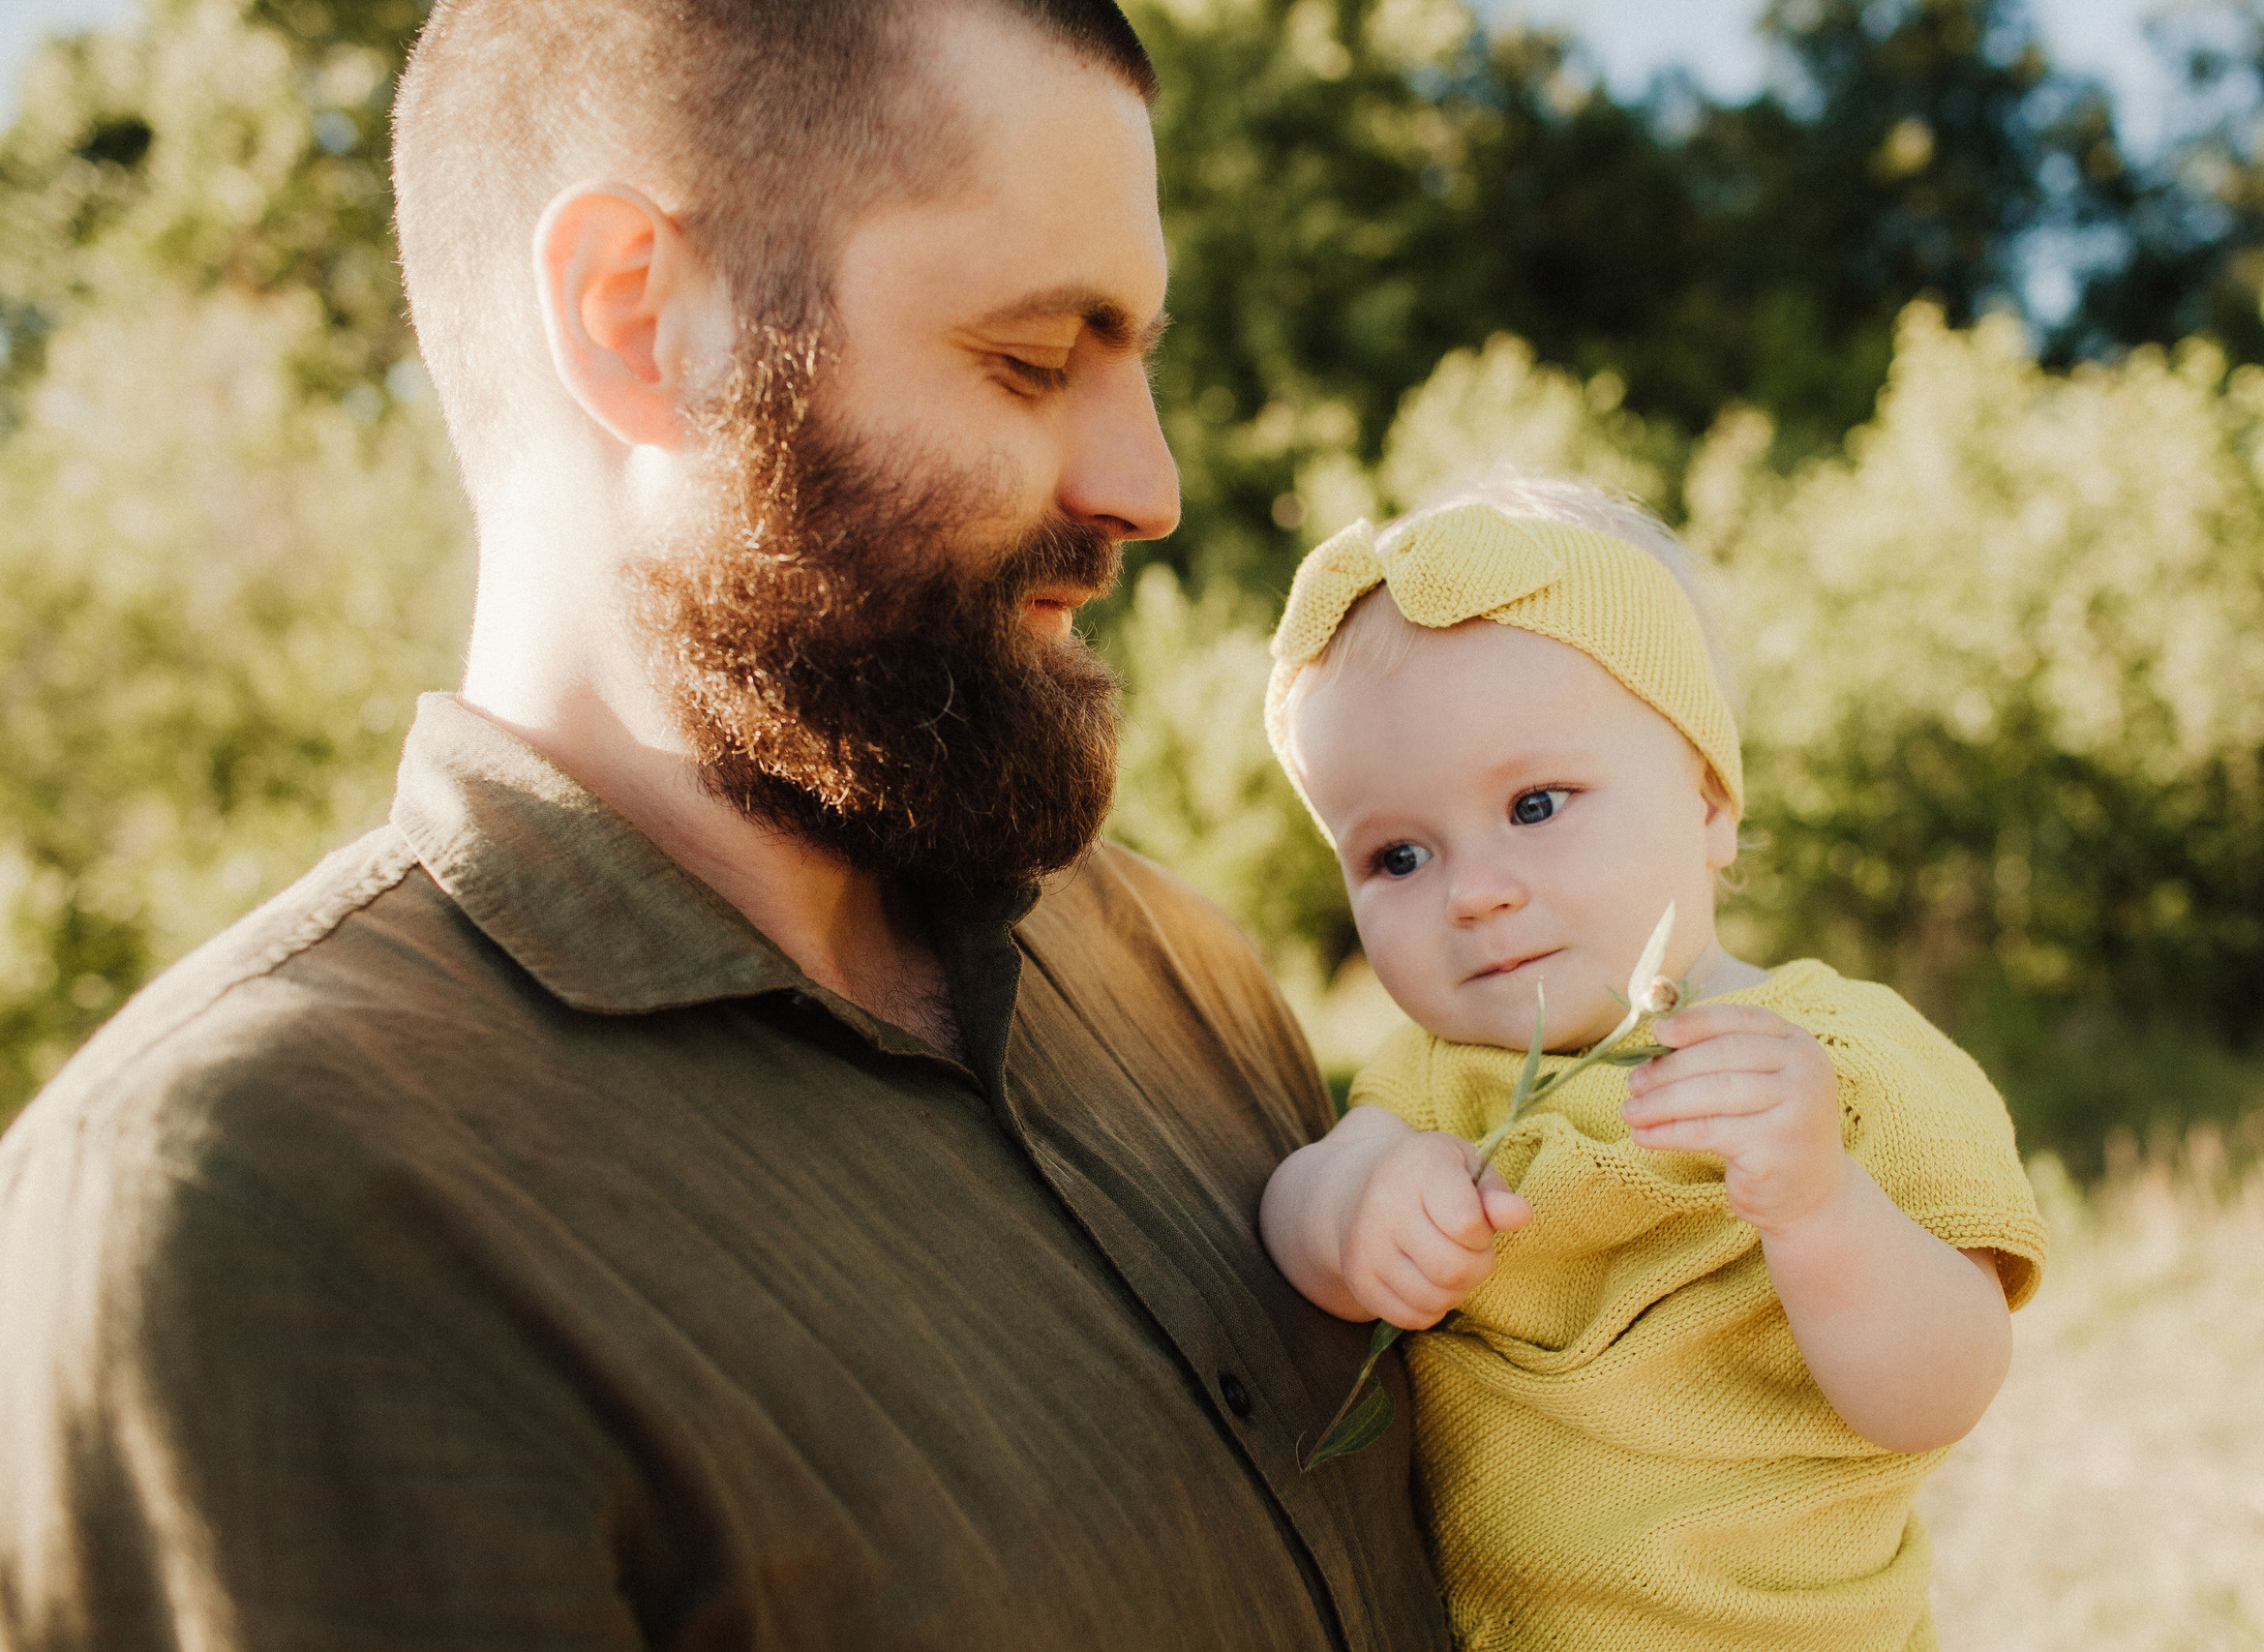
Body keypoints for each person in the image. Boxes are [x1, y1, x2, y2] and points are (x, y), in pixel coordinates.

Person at [0, 2, 1452, 1646]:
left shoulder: (1166, 965)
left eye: (1139, 359)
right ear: (636, 319)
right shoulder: (246, 1203)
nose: (1148, 480)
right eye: (1035, 358)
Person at [1256, 479, 2048, 1651]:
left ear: (1710, 803)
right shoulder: (1435, 1081)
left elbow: (1942, 1390)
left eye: (1535, 804)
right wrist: (1354, 1213)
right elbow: (1294, 1204)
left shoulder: (1843, 1059)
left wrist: (1821, 1205)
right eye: (1397, 855)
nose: (1476, 890)